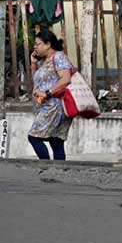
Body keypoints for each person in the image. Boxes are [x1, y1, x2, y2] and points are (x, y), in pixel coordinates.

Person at [28, 29, 74, 160]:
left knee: (34, 137)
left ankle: (46, 165)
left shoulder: (58, 57)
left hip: (55, 106)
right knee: (56, 141)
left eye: (38, 44)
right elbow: (37, 81)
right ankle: (59, 172)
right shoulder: (44, 61)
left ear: (48, 44)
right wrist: (33, 64)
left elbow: (66, 79)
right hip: (46, 106)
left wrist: (48, 93)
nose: (35, 47)